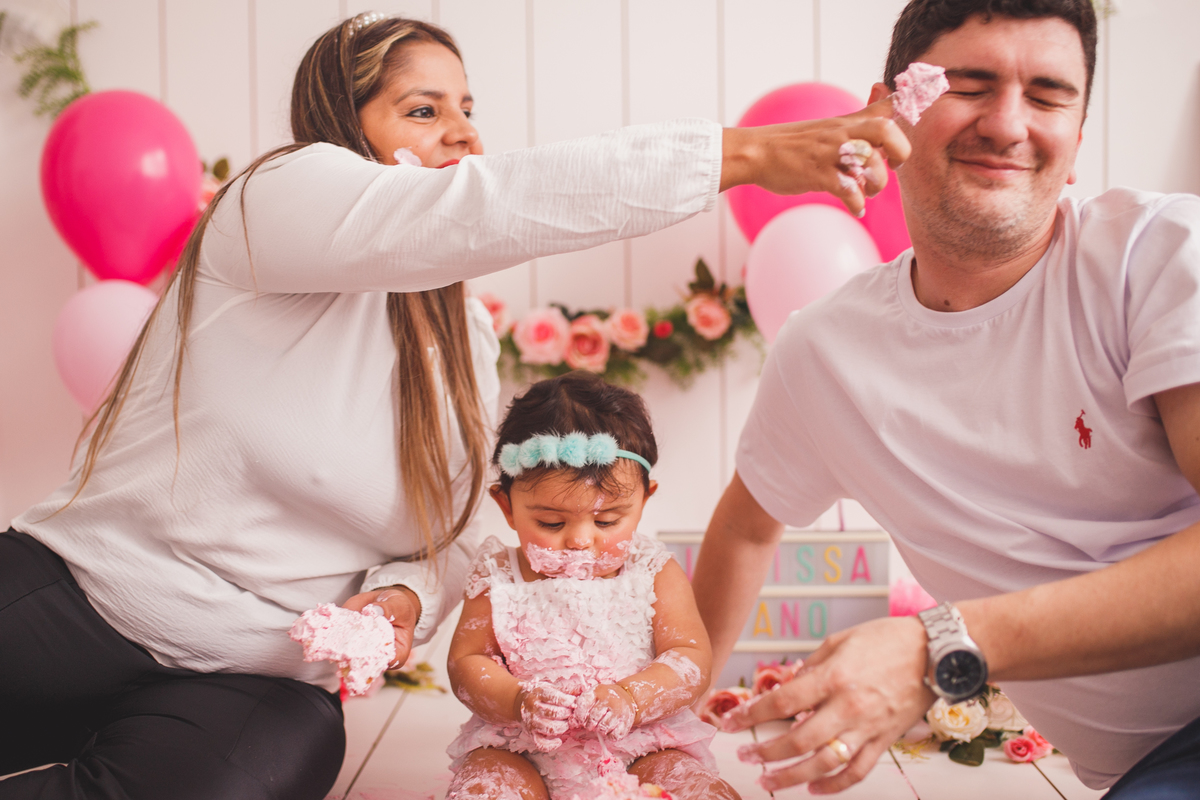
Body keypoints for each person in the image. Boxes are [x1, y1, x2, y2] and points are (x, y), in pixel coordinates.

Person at [0, 12, 910, 800]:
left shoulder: (462, 335)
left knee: (279, 760)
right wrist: (743, 154)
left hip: (254, 680)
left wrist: (399, 596)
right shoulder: (269, 205)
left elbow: (457, 524)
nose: (464, 135)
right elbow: (480, 208)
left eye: (469, 110)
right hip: (79, 598)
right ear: (341, 130)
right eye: (423, 110)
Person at [691, 0, 1200, 797]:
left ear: (1077, 138)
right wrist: (669, 733)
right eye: (969, 83)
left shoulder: (1160, 253)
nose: (1007, 123)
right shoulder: (826, 352)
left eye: (1047, 94)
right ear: (884, 113)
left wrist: (939, 645)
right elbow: (746, 530)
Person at [445, 371, 737, 800]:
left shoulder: (653, 571)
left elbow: (692, 657)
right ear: (506, 507)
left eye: (607, 520)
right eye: (551, 522)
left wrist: (632, 698)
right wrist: (517, 701)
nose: (582, 539)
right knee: (488, 787)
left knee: (689, 787)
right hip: (518, 745)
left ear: (644, 500)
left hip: (642, 743)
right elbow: (467, 663)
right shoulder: (498, 576)